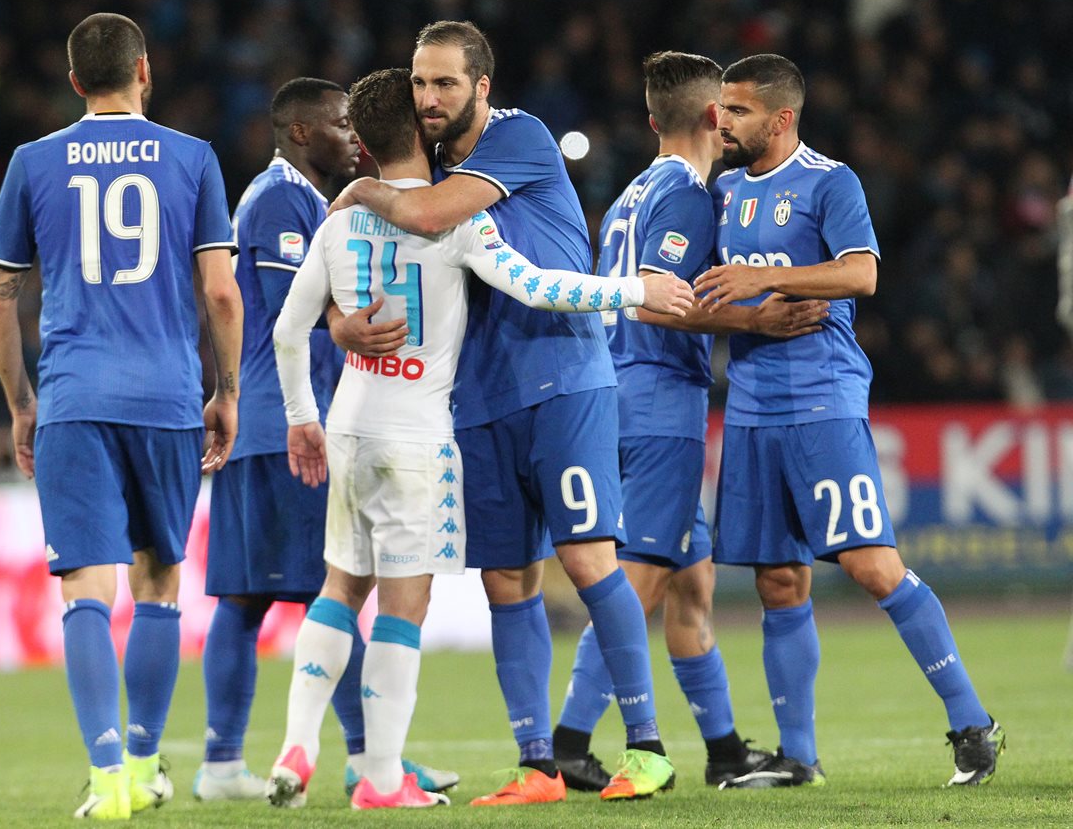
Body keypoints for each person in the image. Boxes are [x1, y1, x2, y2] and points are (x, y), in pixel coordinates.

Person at [268, 67, 695, 810]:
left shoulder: (511, 142)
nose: (432, 98)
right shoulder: (446, 202)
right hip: (468, 408)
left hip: (558, 384)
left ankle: (647, 745)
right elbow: (513, 276)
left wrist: (363, 198)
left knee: (590, 562)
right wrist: (345, 324)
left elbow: (305, 312)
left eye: (445, 82)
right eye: (422, 87)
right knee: (504, 580)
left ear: (481, 84)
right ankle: (533, 761)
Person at [692, 53, 1004, 789]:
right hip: (751, 406)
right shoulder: (724, 190)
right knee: (777, 579)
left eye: (737, 110)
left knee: (869, 563)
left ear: (781, 116)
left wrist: (769, 275)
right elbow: (711, 298)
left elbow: (861, 273)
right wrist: (753, 316)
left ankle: (971, 723)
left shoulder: (831, 181)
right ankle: (799, 755)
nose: (722, 121)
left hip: (821, 397)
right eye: (720, 108)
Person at [0, 13, 243, 820]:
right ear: (144, 69)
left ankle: (106, 778)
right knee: (158, 581)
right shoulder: (193, 158)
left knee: (85, 592)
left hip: (75, 399)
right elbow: (222, 292)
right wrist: (226, 390)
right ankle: (144, 758)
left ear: (74, 82)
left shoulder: (32, 162)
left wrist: (23, 404)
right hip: (166, 399)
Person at [552, 51, 829, 791]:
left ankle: (726, 750)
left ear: (652, 119)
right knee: (637, 578)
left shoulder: (627, 195)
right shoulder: (688, 196)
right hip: (658, 401)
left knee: (691, 582)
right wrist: (760, 319)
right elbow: (673, 300)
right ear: (716, 116)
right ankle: (569, 741)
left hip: (616, 388)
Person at [192, 76, 457, 804]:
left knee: (251, 597)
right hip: (290, 426)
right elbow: (285, 310)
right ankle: (372, 760)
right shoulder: (282, 199)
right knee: (332, 590)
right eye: (341, 124)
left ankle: (224, 762)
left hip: (270, 425)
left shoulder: (301, 200)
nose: (354, 136)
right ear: (301, 133)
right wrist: (350, 319)